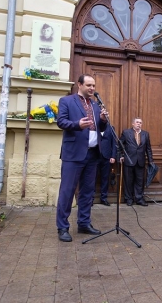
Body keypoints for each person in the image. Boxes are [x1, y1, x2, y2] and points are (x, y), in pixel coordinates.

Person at [56, 74, 108, 242]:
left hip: (93, 154)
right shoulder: (67, 101)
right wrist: (77, 125)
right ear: (79, 85)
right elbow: (61, 122)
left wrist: (103, 120)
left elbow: (100, 127)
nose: (92, 88)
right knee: (67, 191)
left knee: (87, 192)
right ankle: (63, 227)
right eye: (88, 85)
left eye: (93, 85)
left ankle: (84, 223)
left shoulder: (95, 104)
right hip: (73, 154)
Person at [120, 118, 154, 206]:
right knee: (128, 181)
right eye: (137, 122)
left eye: (140, 123)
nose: (139, 124)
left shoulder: (145, 134)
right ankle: (129, 199)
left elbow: (148, 148)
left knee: (140, 181)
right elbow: (119, 145)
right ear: (133, 124)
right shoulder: (126, 133)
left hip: (140, 161)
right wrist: (120, 156)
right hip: (129, 160)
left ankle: (139, 198)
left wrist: (151, 161)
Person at [98, 124, 116, 206]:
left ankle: (103, 198)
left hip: (107, 157)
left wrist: (113, 156)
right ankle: (90, 199)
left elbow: (114, 143)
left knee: (105, 178)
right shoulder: (94, 126)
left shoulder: (111, 128)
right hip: (95, 156)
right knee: (91, 179)